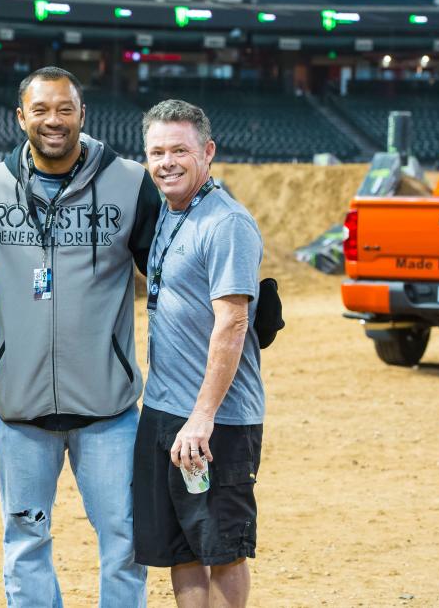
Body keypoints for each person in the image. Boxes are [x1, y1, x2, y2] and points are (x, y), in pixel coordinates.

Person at [0, 67, 160, 607]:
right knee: (25, 542)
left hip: (108, 411)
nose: (54, 121)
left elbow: (169, 267)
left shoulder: (129, 183)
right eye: (41, 109)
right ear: (21, 116)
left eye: (65, 109)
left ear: (81, 114)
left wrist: (243, 298)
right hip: (22, 411)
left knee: (125, 543)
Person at [133, 99, 266, 607]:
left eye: (180, 150)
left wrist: (202, 417)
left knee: (223, 546)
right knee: (181, 546)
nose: (167, 161)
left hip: (217, 421)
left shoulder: (226, 221)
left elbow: (233, 321)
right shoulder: (170, 211)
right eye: (157, 151)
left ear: (207, 152)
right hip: (165, 410)